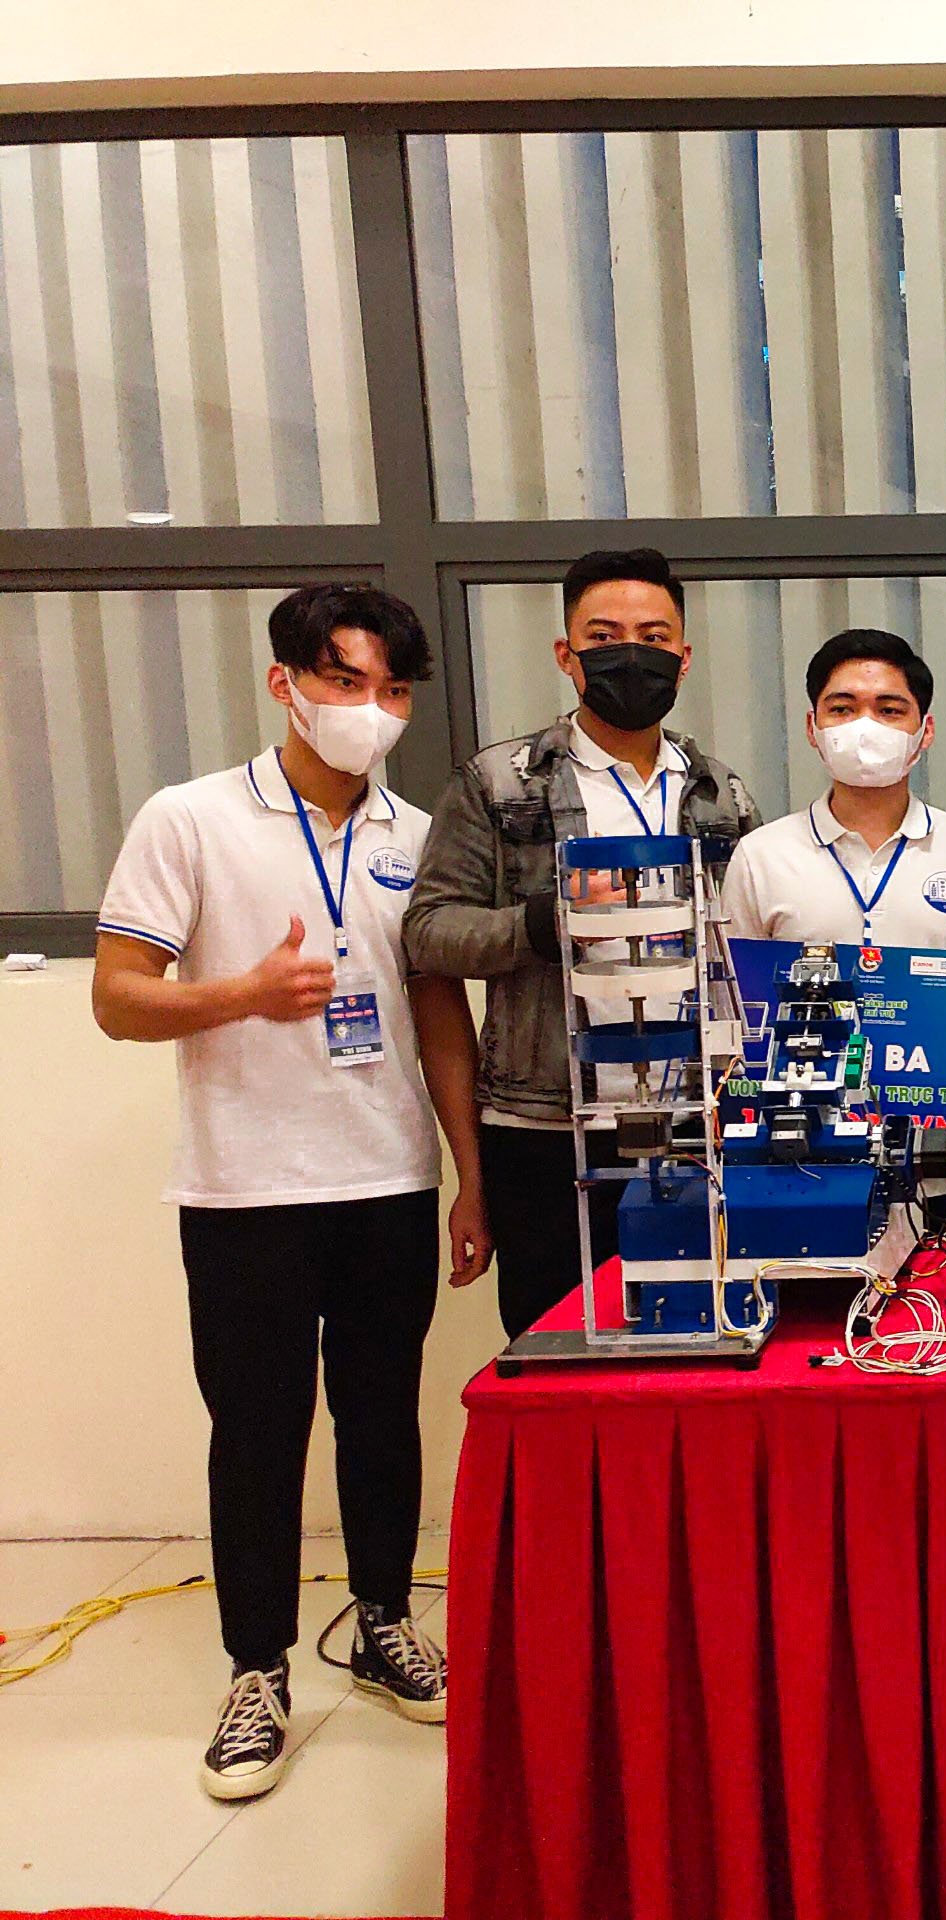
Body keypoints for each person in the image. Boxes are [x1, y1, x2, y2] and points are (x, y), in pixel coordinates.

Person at [91, 584, 489, 1801]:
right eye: (343, 681)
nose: (370, 709)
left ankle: (383, 1622)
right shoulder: (191, 818)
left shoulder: (418, 836)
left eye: (392, 689)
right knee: (257, 1433)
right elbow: (116, 997)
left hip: (387, 1178)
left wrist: (469, 1176)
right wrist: (242, 996)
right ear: (285, 684)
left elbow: (439, 1014)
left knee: (382, 1419)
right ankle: (255, 1669)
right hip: (245, 1191)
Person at [404, 548, 760, 1342]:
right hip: (545, 1127)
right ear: (566, 654)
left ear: (683, 657)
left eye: (653, 637)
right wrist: (543, 922)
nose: (630, 654)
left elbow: (753, 949)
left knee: (698, 1343)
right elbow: (429, 933)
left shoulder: (722, 792)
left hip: (693, 1118)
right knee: (558, 1349)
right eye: (604, 636)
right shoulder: (499, 783)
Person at [720, 627, 946, 1222]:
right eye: (842, 709)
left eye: (889, 709)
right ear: (812, 727)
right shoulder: (762, 856)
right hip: (802, 1169)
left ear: (925, 731)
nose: (864, 725)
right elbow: (739, 1013)